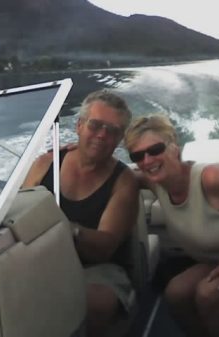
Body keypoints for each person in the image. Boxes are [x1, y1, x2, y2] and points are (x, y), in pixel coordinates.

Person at [23, 89, 139, 337]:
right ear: (79, 125)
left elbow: (105, 247)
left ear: (120, 139)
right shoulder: (46, 164)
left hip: (97, 268)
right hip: (43, 260)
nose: (102, 135)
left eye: (113, 130)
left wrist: (65, 227)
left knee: (95, 302)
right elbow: (19, 213)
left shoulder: (124, 181)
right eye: (95, 125)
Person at [124, 115, 219, 337]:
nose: (147, 160)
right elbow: (116, 175)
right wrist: (80, 153)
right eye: (138, 155)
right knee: (175, 293)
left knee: (207, 294)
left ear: (174, 147)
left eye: (155, 149)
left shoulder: (211, 179)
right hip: (214, 261)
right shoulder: (155, 182)